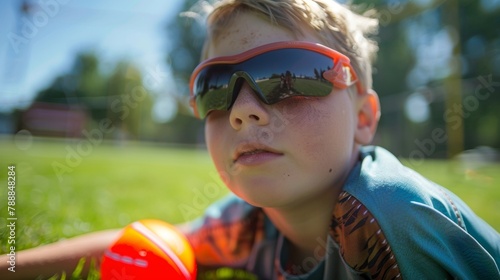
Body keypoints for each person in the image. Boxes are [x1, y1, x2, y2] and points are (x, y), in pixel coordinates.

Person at [1, 0, 499, 279]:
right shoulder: (246, 224)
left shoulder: (390, 216)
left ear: (364, 117)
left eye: (288, 75)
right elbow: (152, 241)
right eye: (215, 89)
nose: (242, 111)